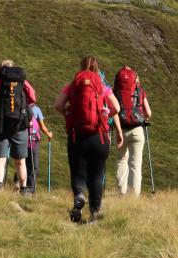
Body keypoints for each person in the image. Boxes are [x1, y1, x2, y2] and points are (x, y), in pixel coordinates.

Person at [55, 56, 123, 223]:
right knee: (97, 174)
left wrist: (69, 113)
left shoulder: (73, 85)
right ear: (97, 68)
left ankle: (79, 194)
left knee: (77, 172)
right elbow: (117, 107)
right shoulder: (103, 86)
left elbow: (58, 105)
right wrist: (105, 117)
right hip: (98, 136)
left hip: (77, 136)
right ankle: (95, 212)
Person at [0, 60, 36, 196]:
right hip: (19, 126)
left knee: (0, 159)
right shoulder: (22, 82)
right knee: (20, 161)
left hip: (0, 124)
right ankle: (24, 189)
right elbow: (32, 97)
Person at [113, 67, 152, 197]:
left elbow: (112, 110)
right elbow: (149, 113)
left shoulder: (115, 91)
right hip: (137, 130)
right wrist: (143, 116)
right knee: (135, 164)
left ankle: (122, 193)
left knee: (121, 160)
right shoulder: (140, 91)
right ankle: (133, 197)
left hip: (121, 130)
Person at [15, 104, 53, 193]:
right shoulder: (36, 110)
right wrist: (49, 134)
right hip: (33, 141)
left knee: (21, 162)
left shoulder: (20, 106)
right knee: (33, 166)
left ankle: (18, 184)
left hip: (21, 139)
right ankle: (30, 188)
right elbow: (43, 127)